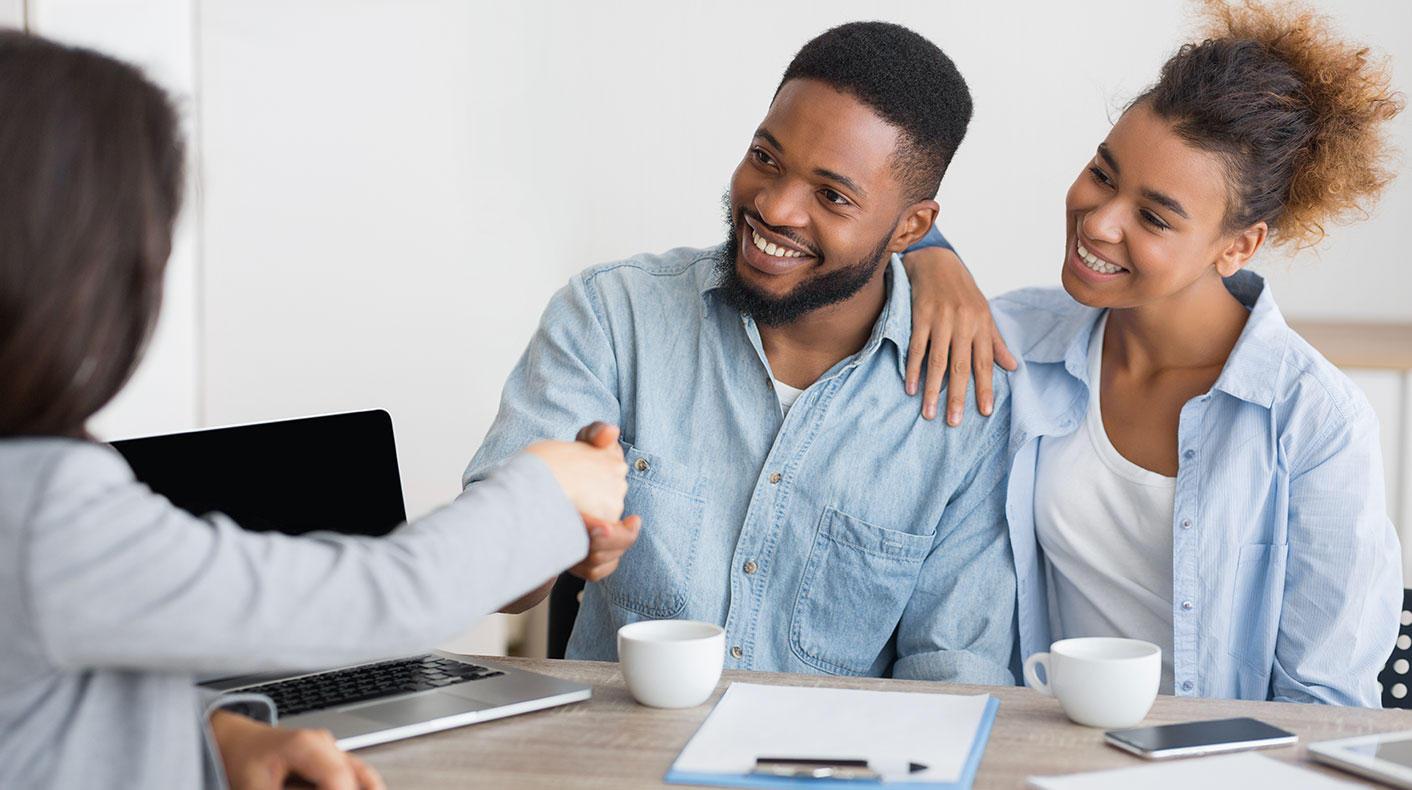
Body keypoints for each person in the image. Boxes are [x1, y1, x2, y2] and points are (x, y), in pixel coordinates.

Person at [0, 31, 632, 790]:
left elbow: (40, 704)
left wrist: (220, 741)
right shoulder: (38, 510)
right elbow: (378, 600)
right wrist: (544, 487)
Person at [465, 21, 1017, 684]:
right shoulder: (613, 316)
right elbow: (492, 579)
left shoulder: (965, 402)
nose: (775, 207)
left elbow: (955, 672)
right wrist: (549, 538)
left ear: (911, 228)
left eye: (832, 195)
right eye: (767, 158)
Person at [902, 0, 1403, 704]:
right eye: (1103, 174)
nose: (1099, 222)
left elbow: (1325, 706)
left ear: (1238, 246)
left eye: (1154, 216)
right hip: (1040, 755)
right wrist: (929, 253)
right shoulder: (1013, 343)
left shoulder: (1315, 423)